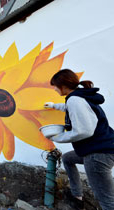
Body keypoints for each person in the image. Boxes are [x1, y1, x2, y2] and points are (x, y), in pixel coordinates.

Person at [44, 69, 114, 210]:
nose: (55, 89)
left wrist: (58, 137)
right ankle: (77, 196)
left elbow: (84, 131)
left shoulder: (75, 100)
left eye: (55, 86)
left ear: (63, 86)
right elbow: (71, 108)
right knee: (68, 159)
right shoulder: (80, 97)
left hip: (98, 155)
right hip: (103, 147)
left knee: (107, 200)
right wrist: (54, 106)